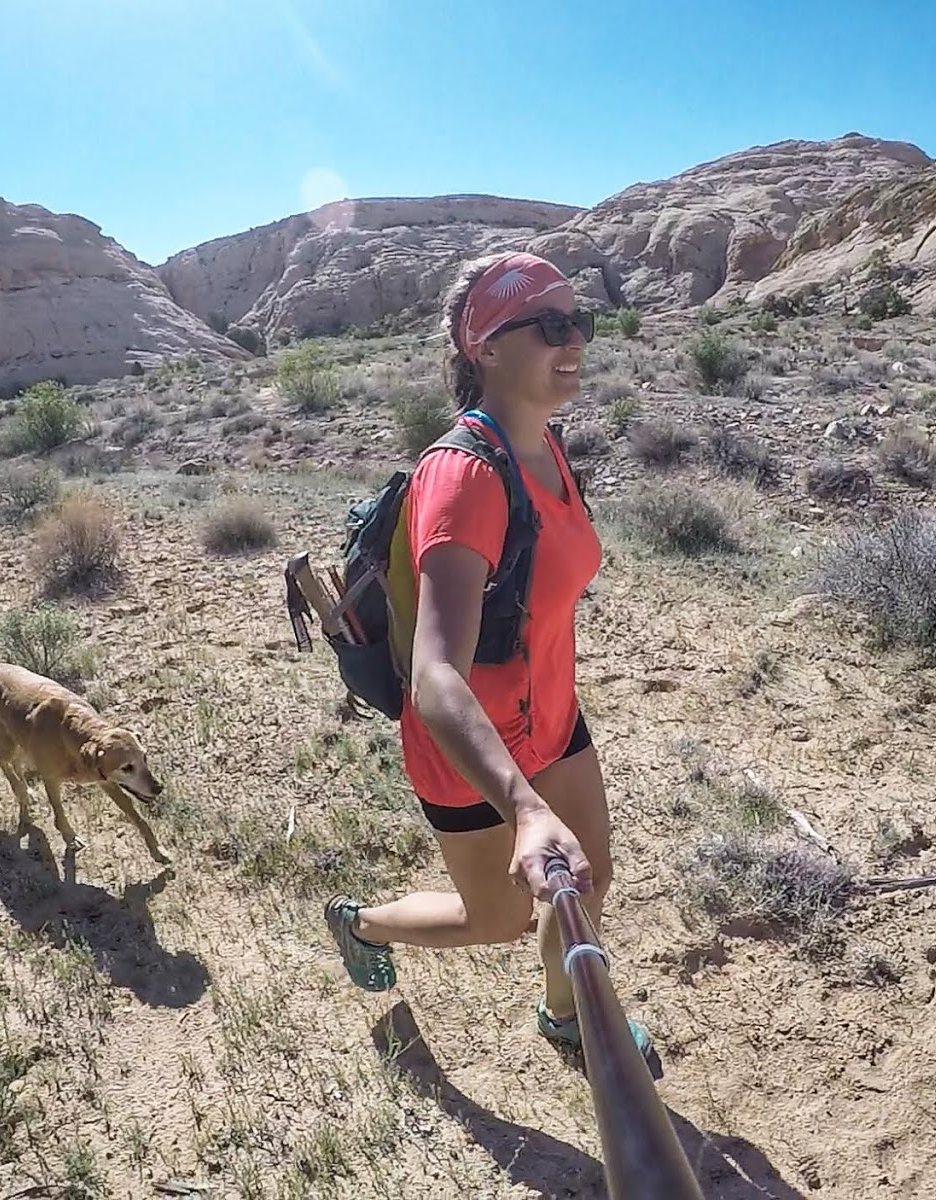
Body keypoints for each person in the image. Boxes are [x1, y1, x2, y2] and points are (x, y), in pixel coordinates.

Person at [324, 251, 651, 1057]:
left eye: (580, 321)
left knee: (588, 881)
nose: (572, 339)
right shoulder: (465, 475)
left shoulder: (548, 444)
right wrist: (526, 807)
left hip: (553, 719)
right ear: (487, 348)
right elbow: (436, 675)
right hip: (469, 747)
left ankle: (566, 1015)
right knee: (499, 916)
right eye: (548, 326)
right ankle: (361, 923)